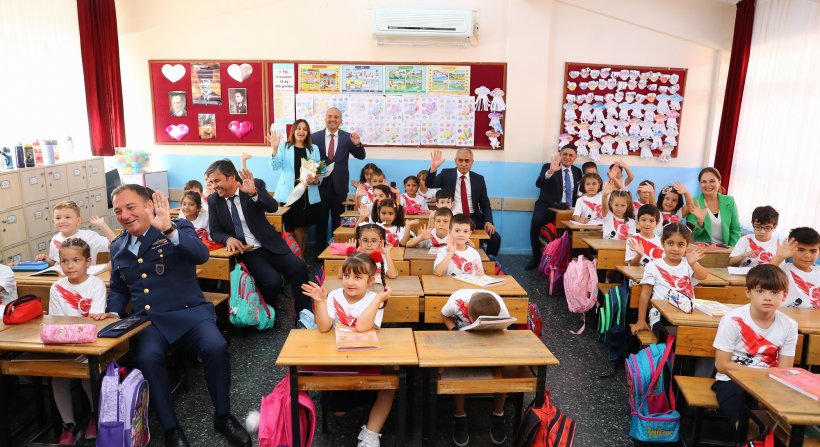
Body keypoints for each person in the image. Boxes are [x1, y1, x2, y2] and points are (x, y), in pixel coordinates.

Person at [106, 185, 250, 447]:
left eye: (130, 207)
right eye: (118, 211)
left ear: (149, 205)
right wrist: (113, 313)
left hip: (189, 312)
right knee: (146, 358)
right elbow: (118, 287)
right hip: (150, 320)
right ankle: (171, 428)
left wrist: (168, 230)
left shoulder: (178, 227)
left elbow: (201, 254)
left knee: (216, 347)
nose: (124, 215)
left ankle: (223, 416)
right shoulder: (118, 246)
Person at [301, 253, 393, 447]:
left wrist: (378, 299)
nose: (350, 282)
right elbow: (324, 327)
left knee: (390, 386)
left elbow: (362, 326)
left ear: (370, 281)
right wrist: (320, 302)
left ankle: (370, 435)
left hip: (366, 359)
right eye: (346, 276)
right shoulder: (335, 295)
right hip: (339, 360)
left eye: (357, 277)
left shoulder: (375, 299)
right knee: (338, 412)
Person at [206, 159, 312, 319]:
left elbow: (273, 207)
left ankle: (303, 314)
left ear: (231, 177)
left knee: (299, 268)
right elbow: (215, 232)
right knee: (272, 281)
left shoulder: (250, 187)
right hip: (249, 252)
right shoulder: (214, 200)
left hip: (270, 244)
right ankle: (266, 315)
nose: (214, 186)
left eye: (217, 181)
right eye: (212, 182)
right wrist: (228, 239)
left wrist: (254, 193)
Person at [712, 264, 797, 432]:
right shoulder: (732, 320)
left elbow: (784, 369)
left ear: (785, 295)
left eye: (775, 292)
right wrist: (766, 372)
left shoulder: (789, 325)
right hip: (732, 379)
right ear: (748, 292)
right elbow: (722, 365)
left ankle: (776, 437)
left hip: (768, 382)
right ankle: (747, 436)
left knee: (788, 404)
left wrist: (768, 375)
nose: (767, 297)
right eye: (760, 291)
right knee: (738, 399)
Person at [49, 238, 111, 444]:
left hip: (89, 344)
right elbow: (56, 321)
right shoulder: (56, 287)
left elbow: (94, 320)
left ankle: (94, 414)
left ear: (88, 262)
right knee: (58, 378)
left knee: (87, 377)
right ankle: (69, 425)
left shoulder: (96, 285)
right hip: (65, 344)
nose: (69, 266)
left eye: (76, 260)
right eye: (64, 261)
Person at [441, 289, 511, 446]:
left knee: (503, 371)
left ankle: (498, 414)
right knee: (460, 371)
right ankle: (460, 415)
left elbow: (505, 329)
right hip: (464, 342)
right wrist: (454, 330)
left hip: (490, 340)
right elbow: (444, 315)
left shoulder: (499, 305)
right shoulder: (455, 302)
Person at [631, 223, 708, 334]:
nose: (675, 249)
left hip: (686, 315)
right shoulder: (653, 266)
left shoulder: (689, 263)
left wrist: (693, 264)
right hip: (660, 317)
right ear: (663, 243)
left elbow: (703, 276)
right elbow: (645, 294)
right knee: (674, 336)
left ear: (687, 247)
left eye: (680, 245)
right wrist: (641, 320)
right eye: (670, 243)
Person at [426, 148, 501, 256]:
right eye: (460, 160)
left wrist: (488, 221)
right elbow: (430, 184)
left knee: (495, 238)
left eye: (467, 160)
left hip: (473, 218)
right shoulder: (446, 174)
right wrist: (433, 169)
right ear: (455, 161)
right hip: (452, 217)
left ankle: (488, 261)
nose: (464, 164)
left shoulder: (479, 179)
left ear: (472, 162)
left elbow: (485, 203)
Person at [312, 107, 366, 253]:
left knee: (338, 222)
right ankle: (319, 252)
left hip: (339, 187)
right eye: (330, 116)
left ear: (341, 120)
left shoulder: (348, 138)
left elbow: (361, 156)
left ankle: (337, 251)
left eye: (336, 117)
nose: (333, 119)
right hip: (320, 186)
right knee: (321, 221)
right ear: (325, 119)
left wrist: (357, 144)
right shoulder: (314, 137)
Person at [268, 119, 322, 255]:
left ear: (308, 133)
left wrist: (316, 180)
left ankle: (300, 257)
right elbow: (275, 167)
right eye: (299, 128)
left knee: (303, 227)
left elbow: (319, 172)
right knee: (293, 227)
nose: (301, 131)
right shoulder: (284, 147)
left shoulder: (313, 148)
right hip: (290, 194)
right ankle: (297, 258)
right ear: (293, 130)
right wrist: (274, 149)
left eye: (305, 129)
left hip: (307, 193)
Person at [526, 145, 582, 269]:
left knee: (574, 231)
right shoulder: (548, 166)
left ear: (575, 157)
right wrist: (551, 171)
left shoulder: (577, 171)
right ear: (560, 155)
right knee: (536, 223)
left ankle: (567, 260)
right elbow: (539, 183)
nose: (567, 157)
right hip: (547, 206)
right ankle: (536, 258)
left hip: (568, 209)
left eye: (571, 155)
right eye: (565, 154)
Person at [34, 200, 113, 266]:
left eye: (67, 217)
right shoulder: (55, 239)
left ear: (78, 221)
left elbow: (115, 244)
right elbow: (55, 263)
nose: (62, 221)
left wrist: (103, 225)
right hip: (63, 277)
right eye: (58, 218)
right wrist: (47, 261)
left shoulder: (89, 236)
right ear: (53, 222)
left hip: (85, 277)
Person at [685, 167, 741, 246]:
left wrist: (731, 249)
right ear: (700, 184)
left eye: (712, 181)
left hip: (725, 249)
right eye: (704, 182)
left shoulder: (729, 201)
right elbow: (690, 234)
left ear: (719, 182)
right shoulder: (693, 202)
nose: (708, 185)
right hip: (701, 249)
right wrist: (700, 222)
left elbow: (735, 229)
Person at [770, 226, 820, 308]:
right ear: (791, 249)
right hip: (788, 314)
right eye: (801, 250)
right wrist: (779, 257)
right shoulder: (782, 269)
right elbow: (762, 276)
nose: (807, 256)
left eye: (813, 251)